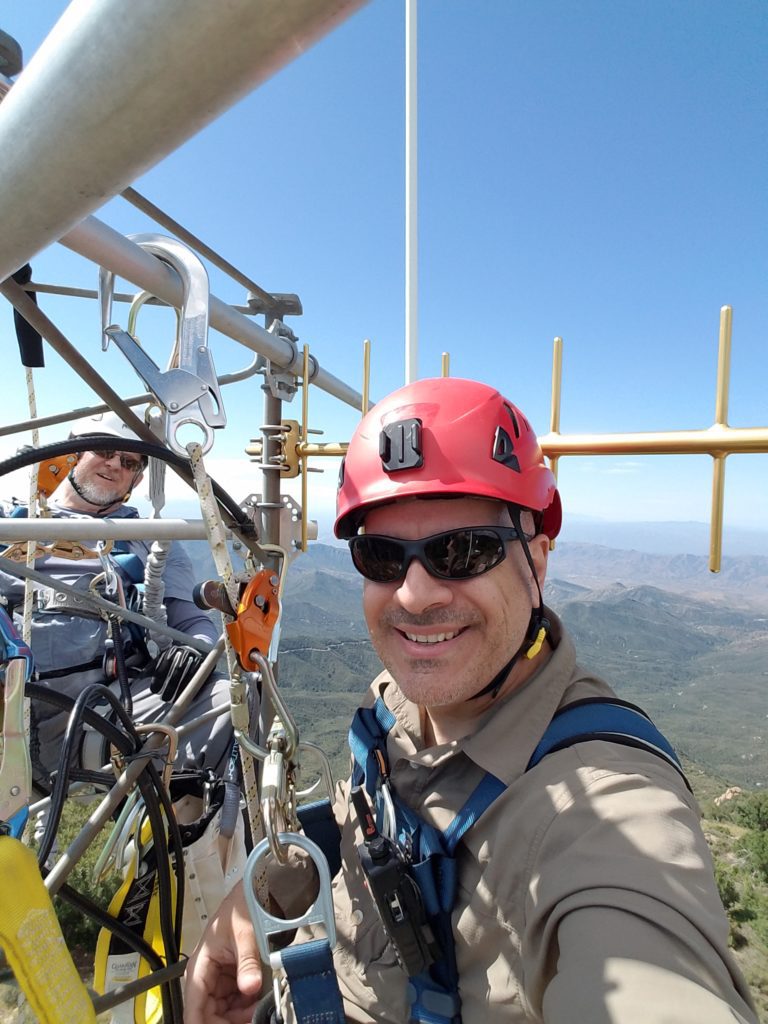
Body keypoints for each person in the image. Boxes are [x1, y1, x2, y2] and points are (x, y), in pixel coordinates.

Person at [183, 377, 758, 1024]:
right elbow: (364, 825)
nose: (414, 594)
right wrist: (259, 897)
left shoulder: (606, 812)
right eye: (381, 556)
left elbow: (650, 973)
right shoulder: (394, 706)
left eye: (463, 551)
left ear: (537, 563)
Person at [0, 410, 232, 786]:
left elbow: (192, 621)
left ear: (137, 478)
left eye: (128, 462)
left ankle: (195, 838)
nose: (113, 465)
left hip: (106, 716)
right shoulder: (12, 522)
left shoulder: (148, 539)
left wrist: (197, 648)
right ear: (75, 452)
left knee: (236, 699)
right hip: (11, 712)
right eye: (103, 451)